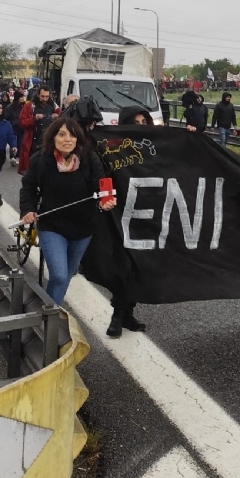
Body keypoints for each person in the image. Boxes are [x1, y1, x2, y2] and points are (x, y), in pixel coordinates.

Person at [19, 118, 113, 305]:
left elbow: (101, 185)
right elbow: (28, 187)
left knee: (68, 274)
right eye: (62, 134)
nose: (67, 139)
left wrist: (106, 200)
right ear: (53, 137)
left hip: (83, 228)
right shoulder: (41, 160)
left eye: (72, 135)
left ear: (78, 138)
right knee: (60, 276)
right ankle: (48, 316)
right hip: (52, 227)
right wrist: (28, 209)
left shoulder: (90, 158)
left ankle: (50, 307)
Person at [103, 106, 153, 338]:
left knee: (138, 267)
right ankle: (117, 315)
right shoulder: (113, 146)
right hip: (117, 214)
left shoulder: (156, 146)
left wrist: (191, 134)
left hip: (146, 214)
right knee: (121, 266)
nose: (140, 125)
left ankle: (128, 313)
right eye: (136, 121)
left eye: (145, 121)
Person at [18, 87, 58, 174]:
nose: (45, 99)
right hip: (33, 142)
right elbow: (22, 122)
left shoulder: (54, 106)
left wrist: (56, 117)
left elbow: (62, 119)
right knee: (32, 167)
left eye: (47, 97)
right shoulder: (30, 106)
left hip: (49, 142)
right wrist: (34, 119)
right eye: (42, 96)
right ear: (38, 95)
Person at [4, 92, 27, 166]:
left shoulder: (24, 106)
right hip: (12, 126)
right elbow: (6, 117)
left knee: (20, 142)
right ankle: (12, 157)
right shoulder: (10, 107)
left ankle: (18, 157)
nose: (23, 99)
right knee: (13, 142)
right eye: (21, 97)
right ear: (18, 98)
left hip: (21, 127)